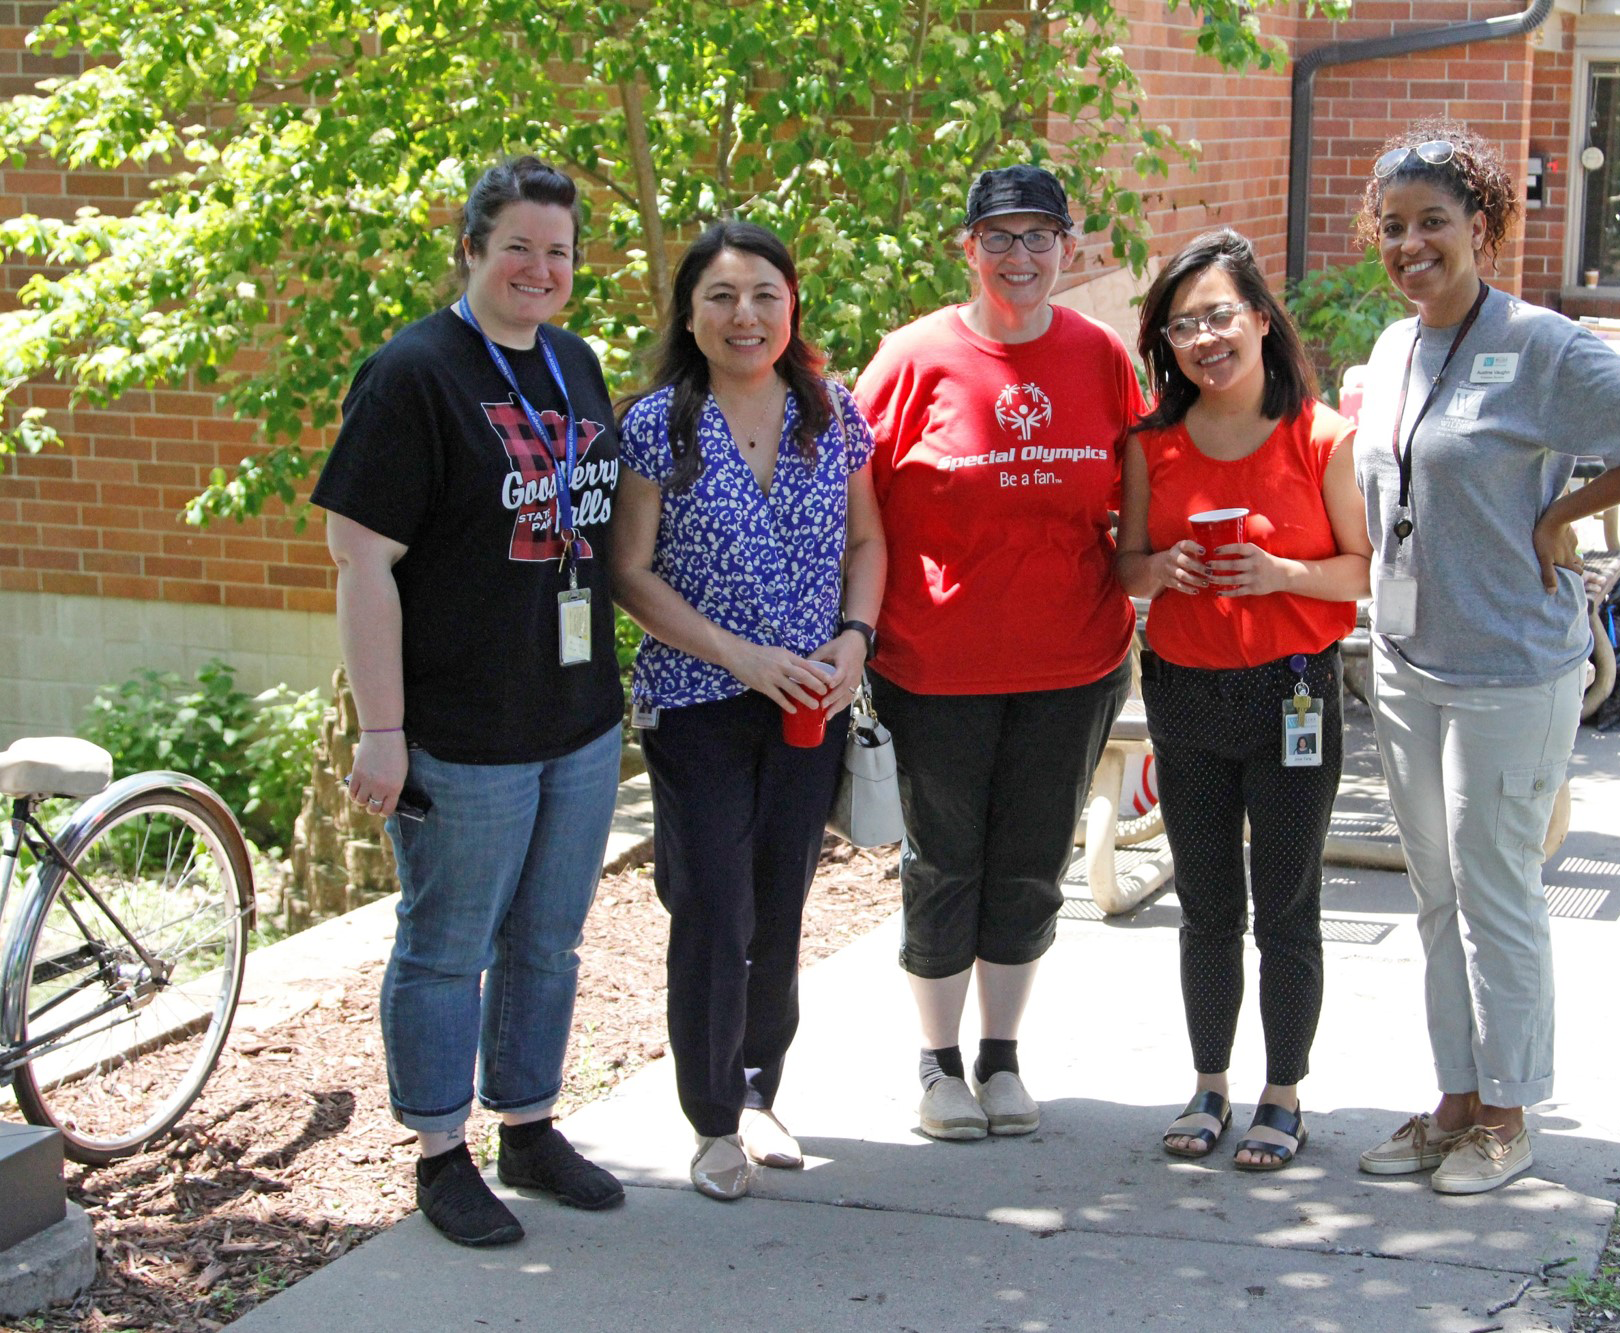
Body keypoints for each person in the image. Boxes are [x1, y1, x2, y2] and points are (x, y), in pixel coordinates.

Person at [1350, 122, 1620, 1194]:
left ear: (1483, 230)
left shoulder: (1541, 344)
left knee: (1497, 888)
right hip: (1408, 660)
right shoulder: (1390, 348)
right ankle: (1454, 1101)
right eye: (1393, 227)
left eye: (1431, 223)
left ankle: (1507, 1114)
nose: (1410, 244)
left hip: (1511, 667)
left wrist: (1565, 511)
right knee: (1432, 895)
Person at [315, 155, 627, 1247]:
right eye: (518, 249)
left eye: (560, 252)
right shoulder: (414, 374)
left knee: (550, 938)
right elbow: (360, 559)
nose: (541, 270)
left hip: (577, 719)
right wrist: (383, 730)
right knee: (449, 946)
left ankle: (528, 1123)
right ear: (471, 251)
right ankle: (440, 1150)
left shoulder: (572, 362)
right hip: (461, 732)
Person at [853, 164, 1140, 1142]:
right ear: (965, 249)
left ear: (1067, 247)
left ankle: (1000, 1055)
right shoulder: (909, 359)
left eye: (1038, 236)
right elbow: (852, 512)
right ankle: (935, 1064)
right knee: (945, 862)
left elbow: (1133, 498)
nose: (1019, 257)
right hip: (935, 668)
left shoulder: (1100, 356)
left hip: (1074, 662)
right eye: (1000, 237)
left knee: (1027, 864)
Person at [611, 221, 886, 1201]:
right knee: (713, 906)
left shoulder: (831, 413)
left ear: (791, 305)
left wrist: (853, 639)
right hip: (697, 704)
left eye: (764, 294)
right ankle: (713, 1117)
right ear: (688, 313)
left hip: (808, 703)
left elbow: (866, 542)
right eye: (721, 296)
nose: (745, 315)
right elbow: (627, 572)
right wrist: (739, 656)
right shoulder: (655, 424)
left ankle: (762, 1086)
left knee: (779, 904)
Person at [1115, 229, 1370, 1171]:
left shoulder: (1322, 437)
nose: (1205, 338)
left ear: (1261, 318)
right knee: (1208, 902)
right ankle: (1210, 1082)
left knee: (1288, 902)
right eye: (1184, 326)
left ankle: (1284, 1092)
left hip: (1292, 693)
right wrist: (1162, 568)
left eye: (1220, 315)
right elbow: (1126, 566)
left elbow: (1361, 574)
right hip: (1186, 687)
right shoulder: (1154, 442)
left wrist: (1282, 572)